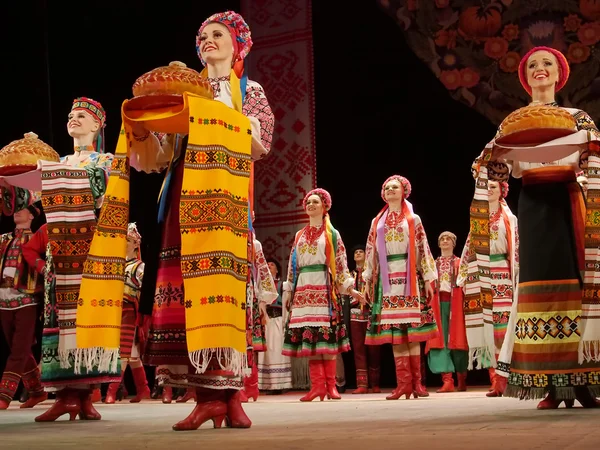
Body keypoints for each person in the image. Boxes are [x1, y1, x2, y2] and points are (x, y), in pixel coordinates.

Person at [129, 11, 275, 430]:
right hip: (186, 199)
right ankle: (208, 396)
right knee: (195, 292)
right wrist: (142, 131)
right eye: (202, 35)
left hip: (228, 200)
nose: (207, 40)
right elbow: (158, 158)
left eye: (217, 34)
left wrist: (217, 113)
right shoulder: (182, 88)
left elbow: (260, 143)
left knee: (228, 293)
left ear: (238, 45)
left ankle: (230, 396)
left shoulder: (250, 90)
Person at [470, 46, 600, 408]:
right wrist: (485, 165)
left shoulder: (578, 117)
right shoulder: (512, 122)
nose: (539, 69)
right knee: (537, 284)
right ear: (525, 78)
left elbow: (593, 159)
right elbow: (497, 167)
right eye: (532, 66)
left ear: (559, 74)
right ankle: (551, 385)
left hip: (568, 200)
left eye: (546, 64)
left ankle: (583, 381)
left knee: (574, 283)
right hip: (533, 204)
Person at [17, 97, 116, 422]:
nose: (73, 119)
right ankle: (65, 396)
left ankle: (84, 396)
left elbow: (98, 191)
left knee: (86, 320)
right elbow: (26, 198)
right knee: (58, 322)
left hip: (89, 247)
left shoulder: (105, 160)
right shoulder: (56, 161)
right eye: (70, 115)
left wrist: (50, 172)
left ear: (98, 124)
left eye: (82, 115)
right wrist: (22, 169)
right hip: (58, 250)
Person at [282, 188, 363, 402]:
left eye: (315, 202)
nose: (311, 205)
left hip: (324, 287)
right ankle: (317, 386)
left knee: (326, 339)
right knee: (311, 339)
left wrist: (349, 288)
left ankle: (331, 385)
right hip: (304, 290)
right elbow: (293, 263)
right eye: (308, 202)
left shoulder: (332, 234)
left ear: (324, 206)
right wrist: (289, 288)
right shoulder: (299, 235)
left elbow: (340, 263)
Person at [363, 175, 438, 400]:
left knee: (412, 333)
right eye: (387, 188)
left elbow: (423, 248)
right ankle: (403, 384)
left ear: (404, 191)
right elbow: (370, 251)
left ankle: (418, 384)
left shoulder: (413, 219)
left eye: (395, 187)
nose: (391, 190)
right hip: (387, 280)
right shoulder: (377, 222)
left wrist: (428, 278)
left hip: (409, 277)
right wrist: (367, 279)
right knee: (396, 333)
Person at [458, 181, 518, 397]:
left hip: (501, 272)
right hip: (479, 274)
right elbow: (468, 246)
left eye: (494, 186)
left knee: (503, 328)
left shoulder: (509, 219)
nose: (489, 190)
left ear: (502, 190)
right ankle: (495, 380)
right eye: (486, 187)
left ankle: (506, 377)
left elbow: (516, 248)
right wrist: (464, 276)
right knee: (487, 329)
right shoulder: (478, 218)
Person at [0, 191, 46, 409]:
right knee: (20, 348)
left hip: (27, 299)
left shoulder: (37, 238)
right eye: (15, 209)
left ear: (31, 215)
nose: (17, 212)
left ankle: (4, 395)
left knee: (18, 350)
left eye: (22, 209)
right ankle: (37, 391)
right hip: (3, 299)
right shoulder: (4, 239)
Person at [103, 223, 150, 404]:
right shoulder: (116, 265)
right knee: (132, 353)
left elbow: (143, 292)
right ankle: (143, 388)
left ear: (136, 244)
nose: (124, 243)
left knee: (123, 351)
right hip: (114, 311)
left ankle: (111, 391)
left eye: (128, 241)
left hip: (129, 311)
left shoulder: (139, 267)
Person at [426, 231, 468, 393]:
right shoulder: (432, 264)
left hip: (457, 303)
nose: (445, 241)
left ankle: (461, 378)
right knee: (439, 340)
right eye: (442, 239)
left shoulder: (460, 263)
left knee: (458, 338)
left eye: (448, 239)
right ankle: (447, 380)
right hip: (437, 304)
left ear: (454, 243)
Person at [240, 234, 278, 402]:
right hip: (233, 294)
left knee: (250, 343)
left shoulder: (254, 243)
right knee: (238, 342)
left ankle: (251, 386)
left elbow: (263, 270)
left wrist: (263, 300)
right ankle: (241, 385)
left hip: (249, 296)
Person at [256, 258, 293, 394]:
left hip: (279, 320)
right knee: (266, 352)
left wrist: (286, 321)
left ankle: (280, 384)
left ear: (277, 269)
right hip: (267, 320)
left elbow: (287, 304)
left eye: (272, 265)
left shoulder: (283, 285)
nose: (269, 266)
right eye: (267, 265)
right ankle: (268, 384)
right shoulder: (262, 286)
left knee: (278, 351)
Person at [348, 245, 381, 394]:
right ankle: (362, 384)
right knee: (358, 349)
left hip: (370, 311)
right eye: (356, 252)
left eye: (361, 251)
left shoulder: (373, 274)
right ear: (354, 257)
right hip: (355, 313)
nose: (358, 253)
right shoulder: (350, 275)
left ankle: (375, 383)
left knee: (374, 348)